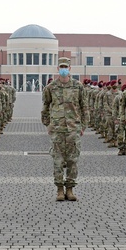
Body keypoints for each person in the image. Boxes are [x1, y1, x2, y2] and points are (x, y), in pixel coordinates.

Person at [41, 57, 86, 200]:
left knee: (73, 160)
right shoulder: (51, 87)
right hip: (57, 129)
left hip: (73, 129)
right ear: (57, 69)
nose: (63, 69)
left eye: (65, 66)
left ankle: (70, 189)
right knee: (58, 161)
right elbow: (45, 107)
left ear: (70, 68)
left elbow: (84, 107)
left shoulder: (78, 86)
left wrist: (83, 126)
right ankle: (60, 190)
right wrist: (48, 124)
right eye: (61, 66)